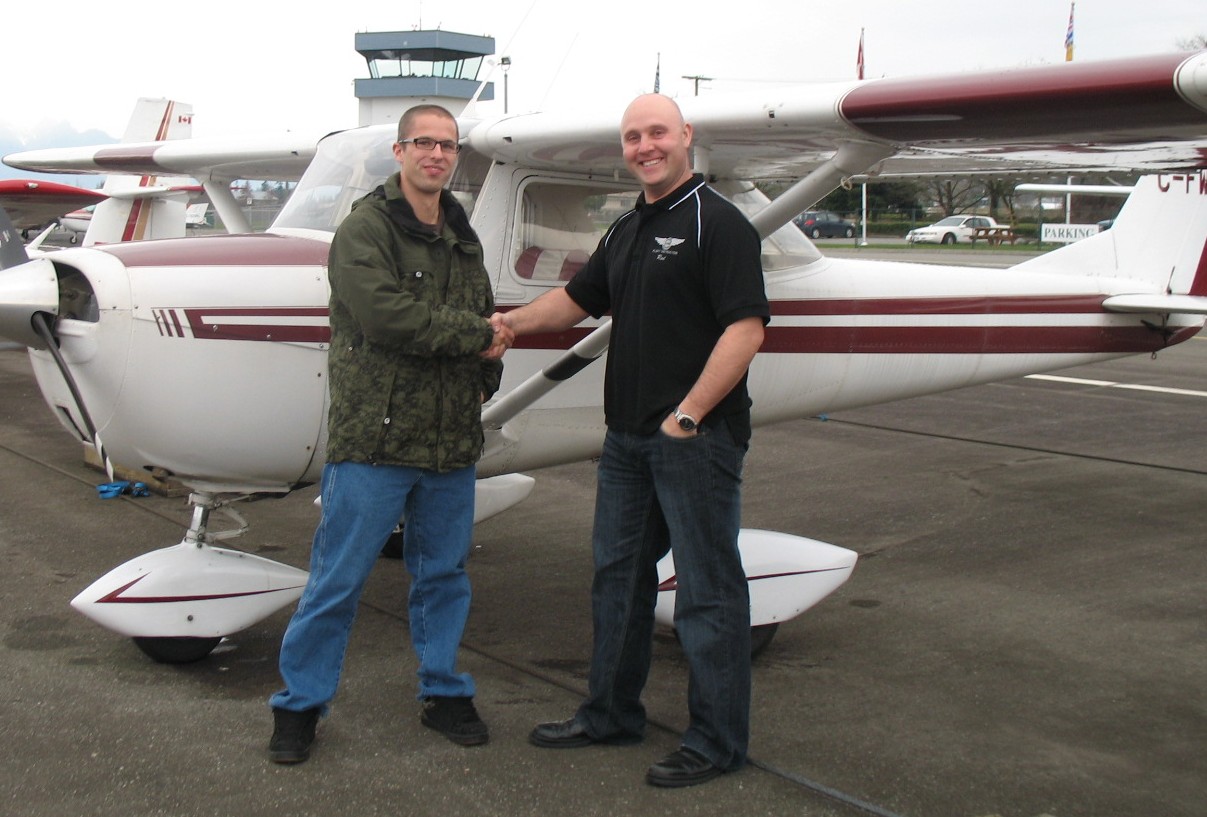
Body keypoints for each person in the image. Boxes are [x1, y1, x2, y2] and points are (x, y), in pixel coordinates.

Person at [492, 93, 769, 788]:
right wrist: (510, 324)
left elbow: (745, 329)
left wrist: (688, 415)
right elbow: (577, 299)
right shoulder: (626, 227)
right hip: (625, 442)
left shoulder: (717, 222)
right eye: (632, 137)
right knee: (616, 580)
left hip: (694, 440)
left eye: (656, 133)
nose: (645, 146)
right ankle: (611, 713)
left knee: (707, 592)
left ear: (685, 136)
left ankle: (716, 742)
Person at [267, 104, 510, 764]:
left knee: (444, 575)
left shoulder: (461, 234)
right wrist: (478, 338)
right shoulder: (364, 229)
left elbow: (483, 314)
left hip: (449, 443)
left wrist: (484, 378)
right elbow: (385, 316)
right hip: (376, 441)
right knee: (337, 580)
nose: (437, 154)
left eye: (447, 145)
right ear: (399, 152)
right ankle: (299, 705)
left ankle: (443, 690)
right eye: (423, 143)